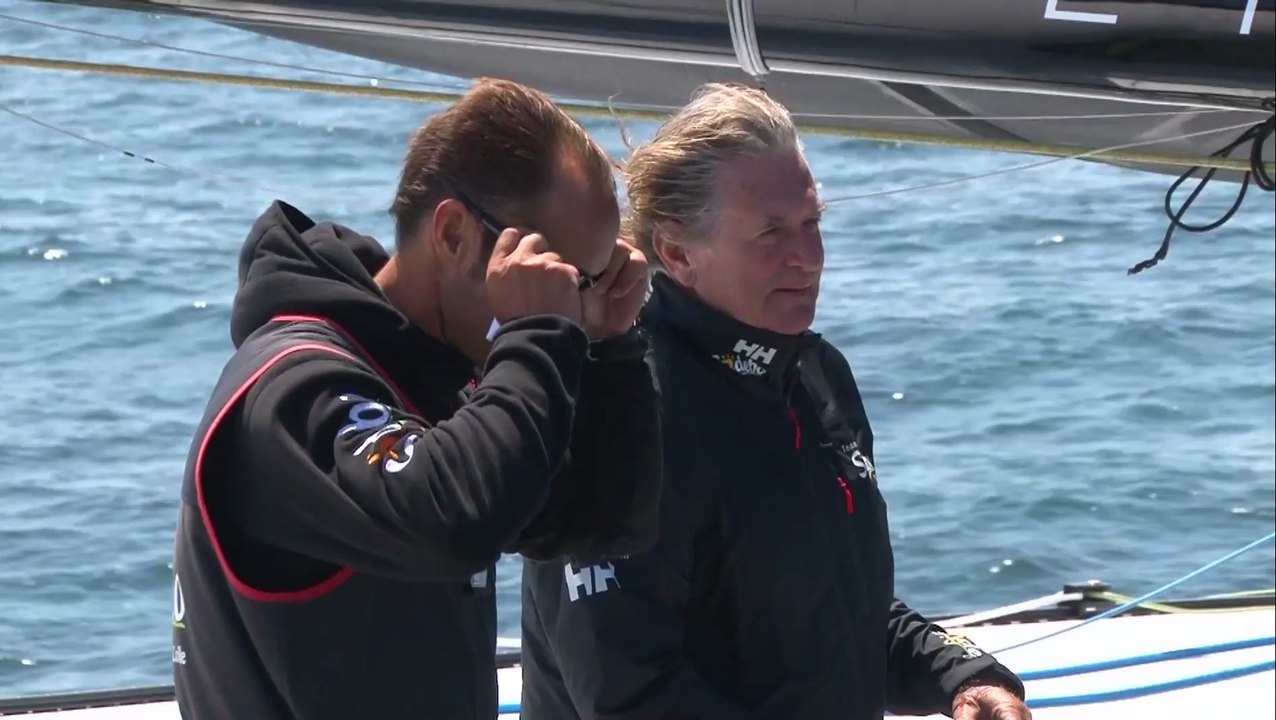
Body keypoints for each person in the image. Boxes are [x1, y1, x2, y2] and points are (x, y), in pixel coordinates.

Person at [519, 83, 1031, 720]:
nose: (808, 259)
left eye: (812, 223)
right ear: (676, 252)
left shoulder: (815, 375)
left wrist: (959, 677)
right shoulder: (619, 412)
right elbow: (629, 696)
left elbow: (836, 609)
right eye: (771, 233)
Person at [170, 77, 662, 720]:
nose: (573, 304)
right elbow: (452, 523)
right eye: (559, 276)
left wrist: (609, 349)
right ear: (454, 235)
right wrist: (538, 333)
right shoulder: (292, 394)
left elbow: (603, 522)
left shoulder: (432, 381)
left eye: (587, 282)